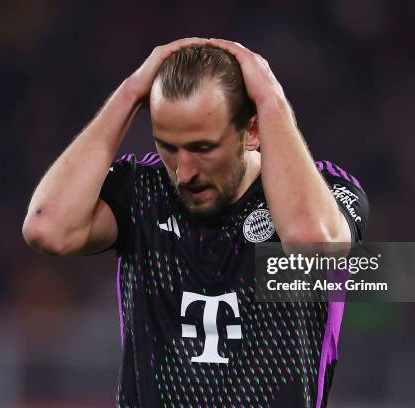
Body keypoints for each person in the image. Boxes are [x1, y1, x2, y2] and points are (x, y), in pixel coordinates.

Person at [23, 37, 369, 407]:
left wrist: (271, 99)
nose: (184, 172)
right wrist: (127, 96)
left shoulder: (328, 190)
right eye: (168, 147)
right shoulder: (143, 192)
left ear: (252, 131)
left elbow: (311, 246)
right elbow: (48, 227)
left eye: (203, 148)